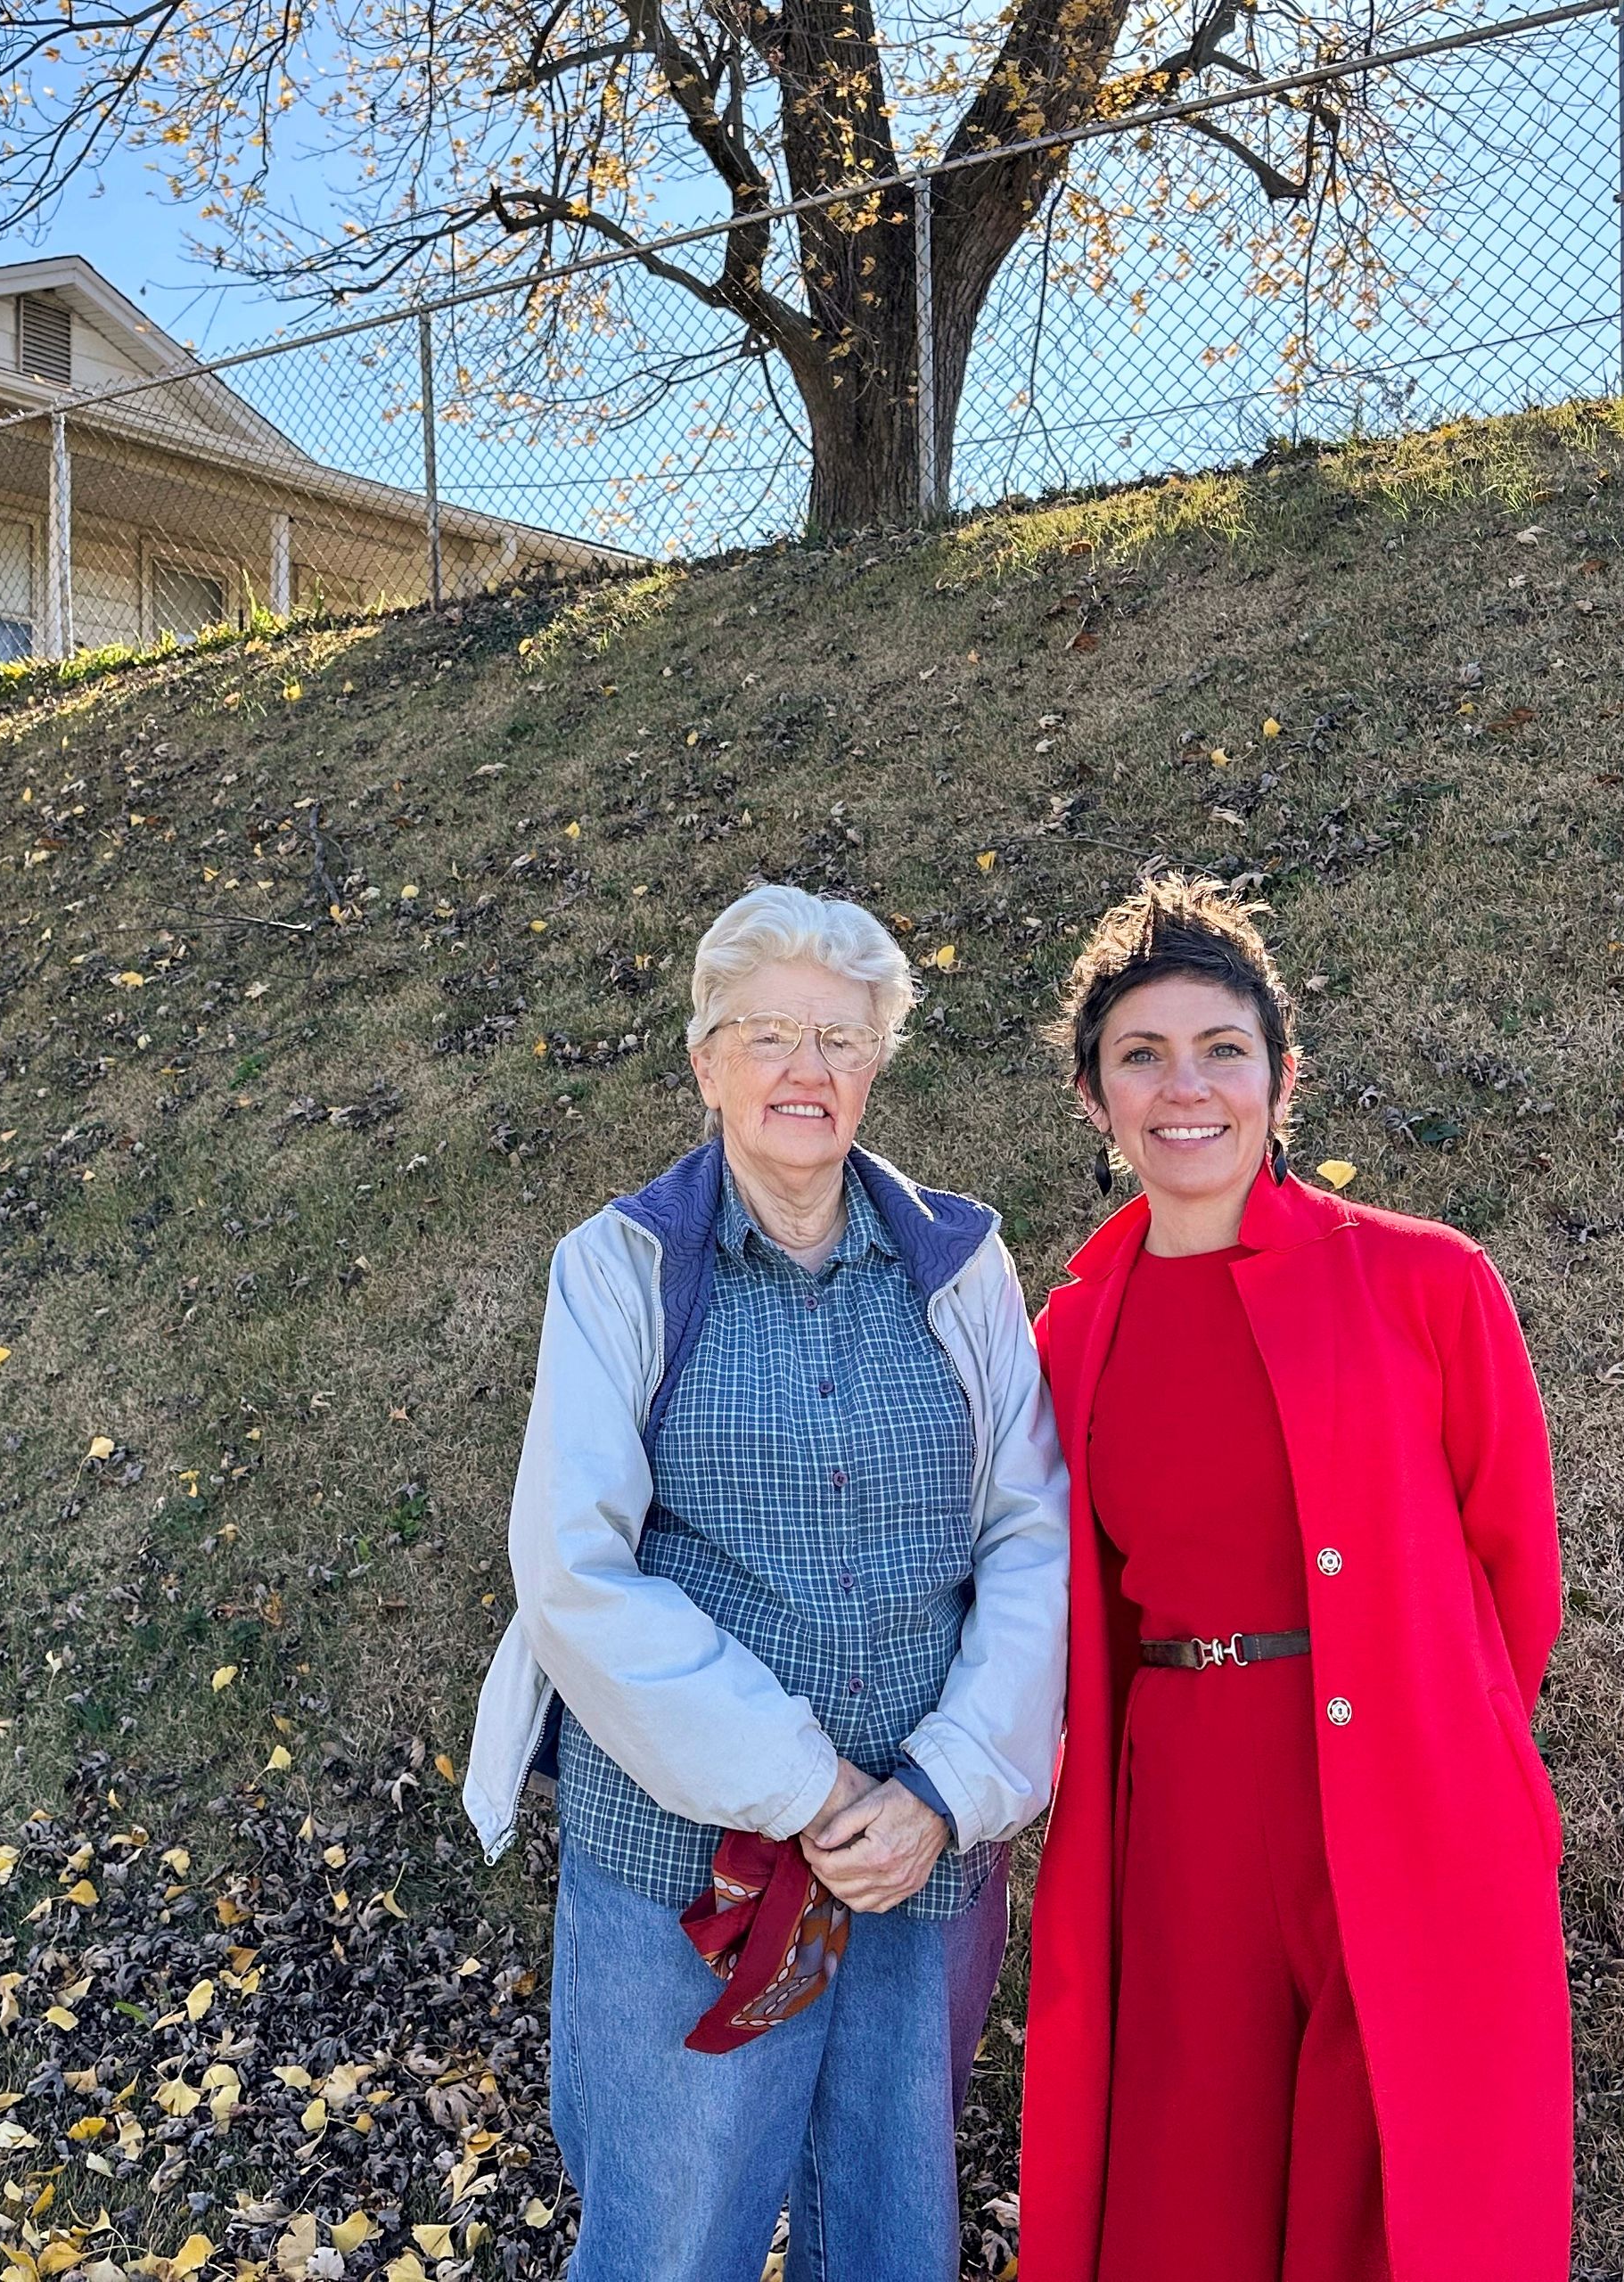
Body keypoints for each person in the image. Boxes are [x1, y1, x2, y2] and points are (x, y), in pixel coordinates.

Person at [461, 882, 1069, 2282]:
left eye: (843, 1042)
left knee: (894, 2237)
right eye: (771, 1036)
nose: (808, 1072)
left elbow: (1028, 1536)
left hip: (920, 1863)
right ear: (706, 1062)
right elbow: (573, 1573)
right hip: (689, 1870)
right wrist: (810, 1788)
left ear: (877, 1068)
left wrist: (942, 1791)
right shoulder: (618, 1267)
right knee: (670, 2243)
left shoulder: (961, 1266)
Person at [1017, 878, 1570, 2282]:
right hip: (1189, 1808)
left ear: (1282, 1076)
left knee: (1398, 2186)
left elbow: (1516, 1569)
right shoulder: (1066, 1340)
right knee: (1192, 2181)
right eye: (1141, 1055)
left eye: (1222, 1049)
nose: (1184, 1087)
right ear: (1094, 1098)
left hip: (1417, 1792)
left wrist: (1453, 1748)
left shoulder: (1428, 1284)